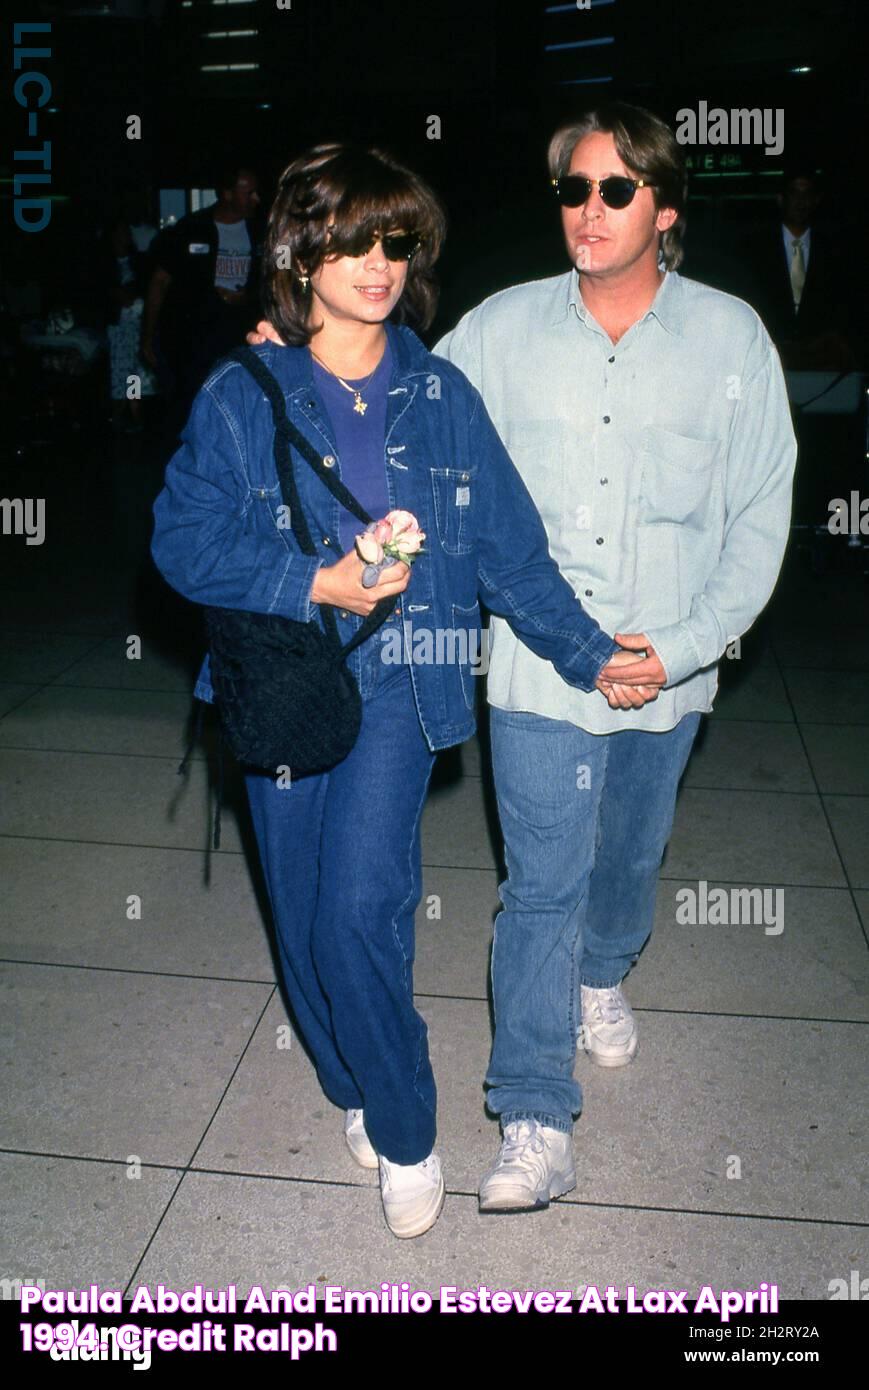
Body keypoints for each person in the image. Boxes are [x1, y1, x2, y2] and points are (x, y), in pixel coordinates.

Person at [249, 103, 797, 1215]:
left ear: (664, 209)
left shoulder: (731, 340)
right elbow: (392, 396)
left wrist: (683, 649)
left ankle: (607, 972)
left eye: (611, 190)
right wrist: (294, 358)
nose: (584, 211)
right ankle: (534, 1114)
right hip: (540, 666)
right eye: (569, 189)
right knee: (538, 882)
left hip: (669, 666)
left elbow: (758, 519)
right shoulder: (497, 330)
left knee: (623, 864)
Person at [150, 143, 650, 1240]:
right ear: (298, 247)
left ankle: (406, 1122)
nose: (379, 263)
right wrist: (307, 578)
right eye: (352, 239)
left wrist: (586, 650)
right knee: (300, 921)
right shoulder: (247, 387)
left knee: (358, 912)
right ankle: (350, 1080)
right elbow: (179, 540)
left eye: (398, 242)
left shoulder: (439, 390)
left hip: (399, 686)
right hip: (282, 681)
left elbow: (510, 549)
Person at [142, 164, 263, 433]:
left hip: (244, 333)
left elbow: (282, 272)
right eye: (249, 192)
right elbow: (159, 281)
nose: (256, 199)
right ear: (227, 194)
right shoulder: (190, 229)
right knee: (192, 405)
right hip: (197, 337)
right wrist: (149, 335)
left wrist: (249, 296)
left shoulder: (263, 232)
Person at [99, 216, 158, 434]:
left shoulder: (139, 262)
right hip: (117, 327)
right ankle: (117, 413)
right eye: (120, 232)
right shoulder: (103, 265)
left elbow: (148, 286)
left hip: (137, 324)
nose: (125, 237)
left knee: (133, 372)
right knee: (118, 370)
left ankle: (135, 413)